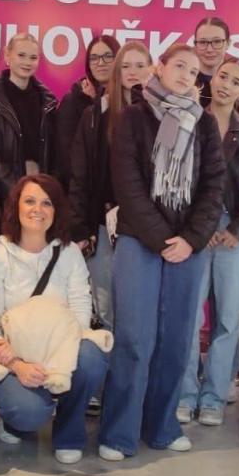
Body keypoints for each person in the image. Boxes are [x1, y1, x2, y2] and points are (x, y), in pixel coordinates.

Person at [99, 44, 225, 460]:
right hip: (140, 240)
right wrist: (161, 239)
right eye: (180, 66)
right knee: (134, 338)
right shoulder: (133, 118)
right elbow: (127, 185)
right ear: (161, 67)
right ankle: (119, 433)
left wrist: (190, 239)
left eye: (194, 71)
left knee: (176, 341)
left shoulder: (204, 123)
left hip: (189, 245)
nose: (187, 75)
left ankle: (162, 426)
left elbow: (214, 186)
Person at [178, 57, 239, 426]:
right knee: (188, 319)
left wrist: (238, 228)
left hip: (235, 235)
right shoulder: (188, 120)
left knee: (228, 320)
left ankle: (214, 397)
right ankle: (185, 394)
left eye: (236, 81)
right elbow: (174, 178)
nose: (226, 85)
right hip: (196, 234)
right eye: (223, 76)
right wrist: (195, 229)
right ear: (212, 78)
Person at [0, 174, 106, 464]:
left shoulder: (70, 254)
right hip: (14, 357)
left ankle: (69, 434)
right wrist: (18, 365)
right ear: (15, 207)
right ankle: (14, 421)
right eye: (29, 201)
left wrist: (60, 358)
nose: (37, 209)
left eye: (46, 203)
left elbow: (80, 312)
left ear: (56, 210)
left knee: (92, 357)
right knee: (29, 413)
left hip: (60, 350)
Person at [68, 41, 152, 331]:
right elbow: (80, 174)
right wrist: (80, 227)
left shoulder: (160, 116)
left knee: (138, 302)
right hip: (103, 222)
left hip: (143, 225)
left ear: (152, 70)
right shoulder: (95, 115)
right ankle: (109, 355)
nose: (132, 72)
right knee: (104, 302)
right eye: (126, 66)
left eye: (140, 65)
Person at [0, 32, 58, 208]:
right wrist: (16, 190)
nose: (27, 62)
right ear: (7, 55)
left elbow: (54, 151)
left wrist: (45, 187)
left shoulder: (48, 101)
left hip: (41, 189)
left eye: (33, 57)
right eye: (21, 55)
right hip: (3, 193)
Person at [53, 35, 118, 194]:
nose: (100, 63)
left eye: (107, 56)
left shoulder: (126, 101)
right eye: (94, 58)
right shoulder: (73, 101)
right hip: (84, 193)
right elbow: (67, 158)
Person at [190, 16, 230, 107]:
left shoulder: (237, 83)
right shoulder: (184, 81)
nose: (209, 49)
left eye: (217, 41)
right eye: (202, 42)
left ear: (228, 43)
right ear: (195, 44)